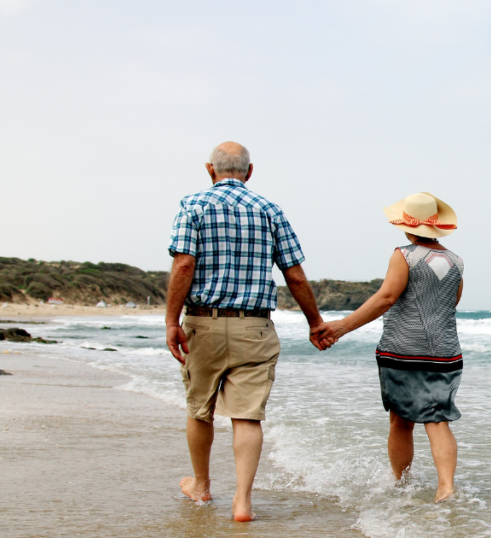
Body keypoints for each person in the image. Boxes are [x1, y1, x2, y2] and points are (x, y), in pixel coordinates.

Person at [164, 141, 327, 521]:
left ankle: (202, 488)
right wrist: (315, 322)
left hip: (202, 322)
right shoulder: (270, 210)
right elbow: (294, 274)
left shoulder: (193, 205)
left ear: (210, 170)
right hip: (254, 326)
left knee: (199, 409)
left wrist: (172, 321)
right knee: (247, 416)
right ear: (249, 172)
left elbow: (184, 266)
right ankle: (242, 501)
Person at [314, 192, 464, 502]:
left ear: (407, 227)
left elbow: (386, 298)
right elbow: (450, 304)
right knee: (438, 419)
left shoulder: (404, 254)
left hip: (403, 351)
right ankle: (446, 487)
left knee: (401, 420)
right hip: (446, 353)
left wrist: (341, 327)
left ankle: (400, 483)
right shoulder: (456, 261)